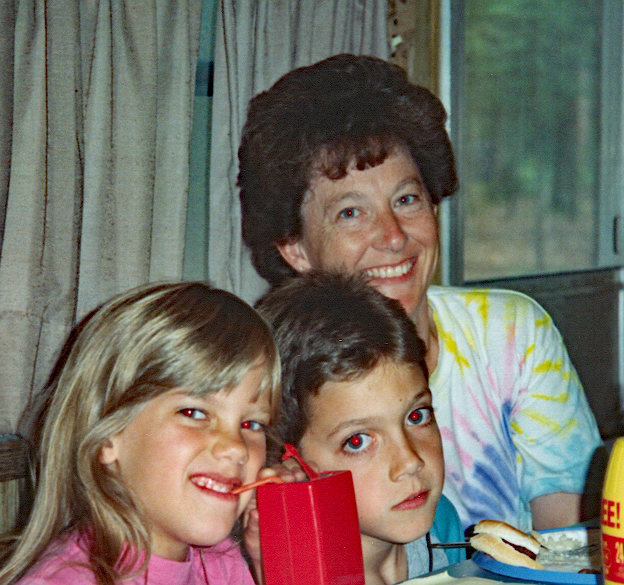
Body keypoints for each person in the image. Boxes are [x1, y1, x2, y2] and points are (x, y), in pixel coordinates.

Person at [238, 53, 602, 533]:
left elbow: (566, 539)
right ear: (295, 248)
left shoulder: (511, 336)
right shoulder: (266, 379)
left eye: (406, 200)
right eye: (351, 213)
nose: (393, 236)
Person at [0, 282, 280, 585]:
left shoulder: (221, 564)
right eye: (194, 413)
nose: (237, 448)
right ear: (108, 434)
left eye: (251, 425)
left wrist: (271, 562)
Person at [254, 272, 457, 584]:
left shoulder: (443, 524)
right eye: (358, 441)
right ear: (293, 466)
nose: (410, 461)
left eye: (416, 417)